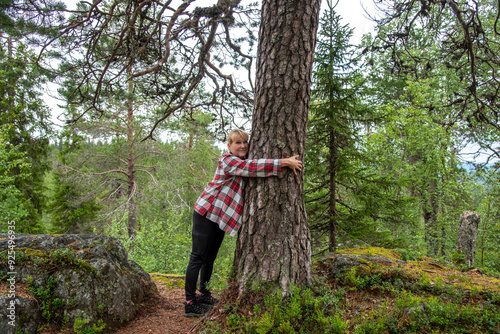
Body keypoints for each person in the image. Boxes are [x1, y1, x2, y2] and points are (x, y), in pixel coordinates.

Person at [184, 129, 303, 317]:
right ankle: (190, 303)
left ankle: (204, 294)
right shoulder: (228, 161)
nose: (242, 146)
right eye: (237, 143)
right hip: (206, 212)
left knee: (210, 258)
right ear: (229, 146)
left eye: (245, 142)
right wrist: (283, 162)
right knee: (198, 256)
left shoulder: (239, 160)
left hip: (220, 216)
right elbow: (252, 168)